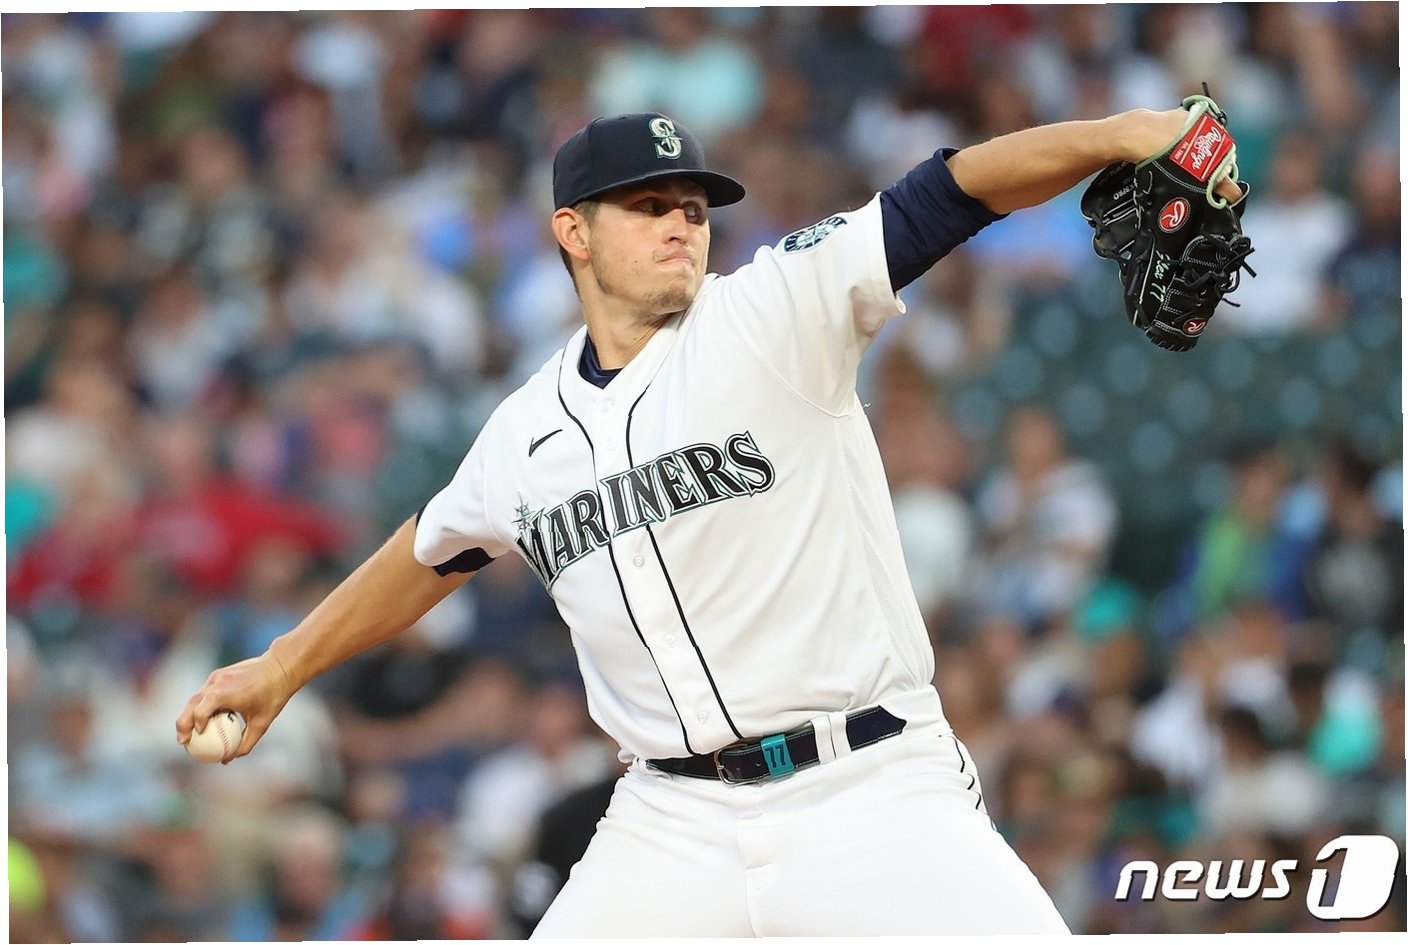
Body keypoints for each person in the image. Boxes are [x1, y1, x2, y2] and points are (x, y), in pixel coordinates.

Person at [179, 107, 1243, 935]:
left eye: (693, 206)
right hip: (670, 823)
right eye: (648, 205)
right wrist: (282, 664)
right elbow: (428, 553)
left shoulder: (772, 309)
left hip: (869, 787)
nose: (681, 223)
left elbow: (951, 189)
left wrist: (1123, 134)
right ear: (572, 232)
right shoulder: (523, 433)